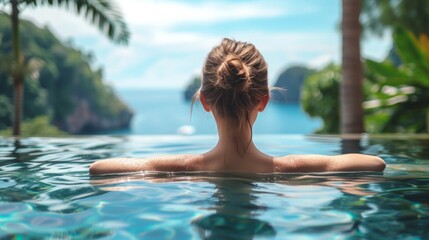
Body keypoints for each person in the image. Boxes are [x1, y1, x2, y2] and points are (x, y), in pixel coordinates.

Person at [89, 38, 385, 175]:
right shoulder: (285, 169)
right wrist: (302, 163)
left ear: (204, 101)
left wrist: (171, 163)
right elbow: (374, 163)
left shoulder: (186, 169)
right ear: (264, 101)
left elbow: (99, 168)